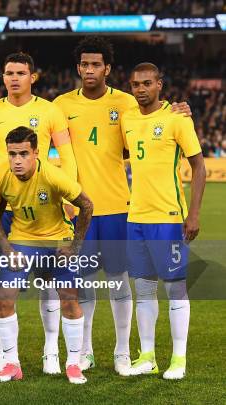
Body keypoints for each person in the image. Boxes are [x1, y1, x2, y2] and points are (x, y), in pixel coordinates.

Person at [53, 35, 193, 375]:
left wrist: (179, 109)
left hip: (119, 207)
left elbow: (151, 125)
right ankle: (85, 350)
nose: (89, 69)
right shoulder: (60, 105)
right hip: (79, 210)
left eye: (96, 64)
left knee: (118, 281)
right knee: (84, 283)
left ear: (107, 69)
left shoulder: (128, 103)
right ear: (77, 68)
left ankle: (121, 350)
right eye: (84, 64)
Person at [0, 52, 77, 374]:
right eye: (9, 72)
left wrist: (68, 198)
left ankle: (50, 350)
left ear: (33, 76)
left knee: (50, 280)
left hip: (42, 204)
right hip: (1, 204)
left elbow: (67, 156)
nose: (14, 77)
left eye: (21, 72)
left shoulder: (49, 110)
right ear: (3, 77)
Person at [0, 126, 94, 384]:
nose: (17, 160)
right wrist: (7, 248)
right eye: (12, 154)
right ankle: (12, 364)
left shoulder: (54, 176)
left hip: (57, 240)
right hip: (22, 240)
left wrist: (75, 247)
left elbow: (86, 205)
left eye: (23, 154)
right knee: (4, 298)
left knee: (69, 300)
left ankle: (74, 364)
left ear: (36, 153)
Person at [122, 63, 205, 380]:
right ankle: (147, 356)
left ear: (160, 84)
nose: (140, 89)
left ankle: (179, 359)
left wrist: (193, 213)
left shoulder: (177, 119)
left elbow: (199, 167)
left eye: (146, 83)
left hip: (168, 217)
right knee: (143, 289)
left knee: (175, 289)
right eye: (135, 84)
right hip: (136, 217)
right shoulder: (128, 120)